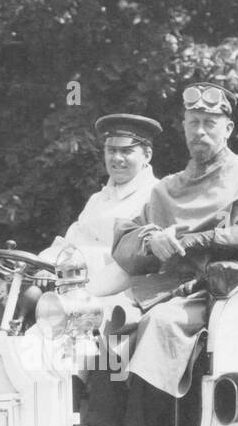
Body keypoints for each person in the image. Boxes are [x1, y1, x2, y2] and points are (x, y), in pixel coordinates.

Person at [81, 82, 238, 426]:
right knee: (113, 321)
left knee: (161, 325)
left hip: (222, 294)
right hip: (166, 289)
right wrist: (152, 242)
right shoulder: (168, 189)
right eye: (192, 123)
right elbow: (125, 241)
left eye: (209, 123)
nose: (200, 132)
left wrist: (213, 238)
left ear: (228, 129)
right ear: (183, 127)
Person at [41, 113, 161, 299]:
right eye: (111, 151)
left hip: (119, 296)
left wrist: (75, 260)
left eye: (126, 151)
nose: (117, 158)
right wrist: (44, 265)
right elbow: (69, 243)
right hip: (71, 286)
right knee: (27, 295)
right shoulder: (97, 199)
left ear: (147, 155)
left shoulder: (156, 195)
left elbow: (137, 260)